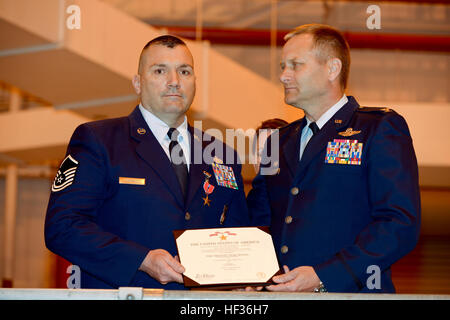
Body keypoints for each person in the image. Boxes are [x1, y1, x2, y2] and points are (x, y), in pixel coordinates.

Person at [45, 35, 249, 289]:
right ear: (138, 83)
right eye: (160, 71)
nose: (174, 82)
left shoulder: (223, 155)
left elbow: (239, 236)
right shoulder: (99, 140)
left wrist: (245, 277)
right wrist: (141, 260)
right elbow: (62, 227)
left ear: (195, 82)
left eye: (184, 71)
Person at [247, 24, 420, 293]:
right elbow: (259, 222)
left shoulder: (377, 129)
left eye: (295, 65)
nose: (283, 76)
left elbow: (398, 223)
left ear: (332, 69)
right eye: (283, 66)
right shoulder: (278, 141)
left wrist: (324, 276)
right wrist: (248, 276)